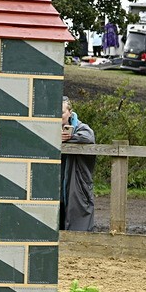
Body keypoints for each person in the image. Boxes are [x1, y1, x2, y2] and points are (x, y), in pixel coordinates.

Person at [60, 96, 96, 231]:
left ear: (70, 112)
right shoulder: (48, 127)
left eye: (62, 113)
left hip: (76, 185)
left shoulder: (81, 128)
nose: (59, 117)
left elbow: (89, 137)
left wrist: (69, 137)